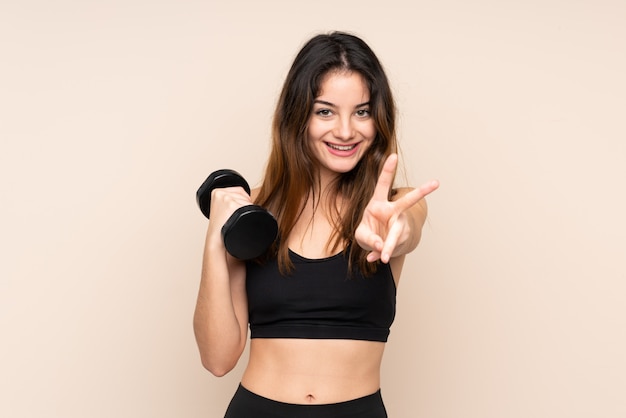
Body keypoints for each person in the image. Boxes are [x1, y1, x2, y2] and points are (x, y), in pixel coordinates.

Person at [193, 31, 439, 418]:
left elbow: (407, 229)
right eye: (325, 111)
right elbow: (218, 359)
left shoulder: (392, 205)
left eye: (362, 111)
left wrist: (398, 230)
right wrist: (215, 238)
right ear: (298, 116)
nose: (345, 131)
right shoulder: (253, 212)